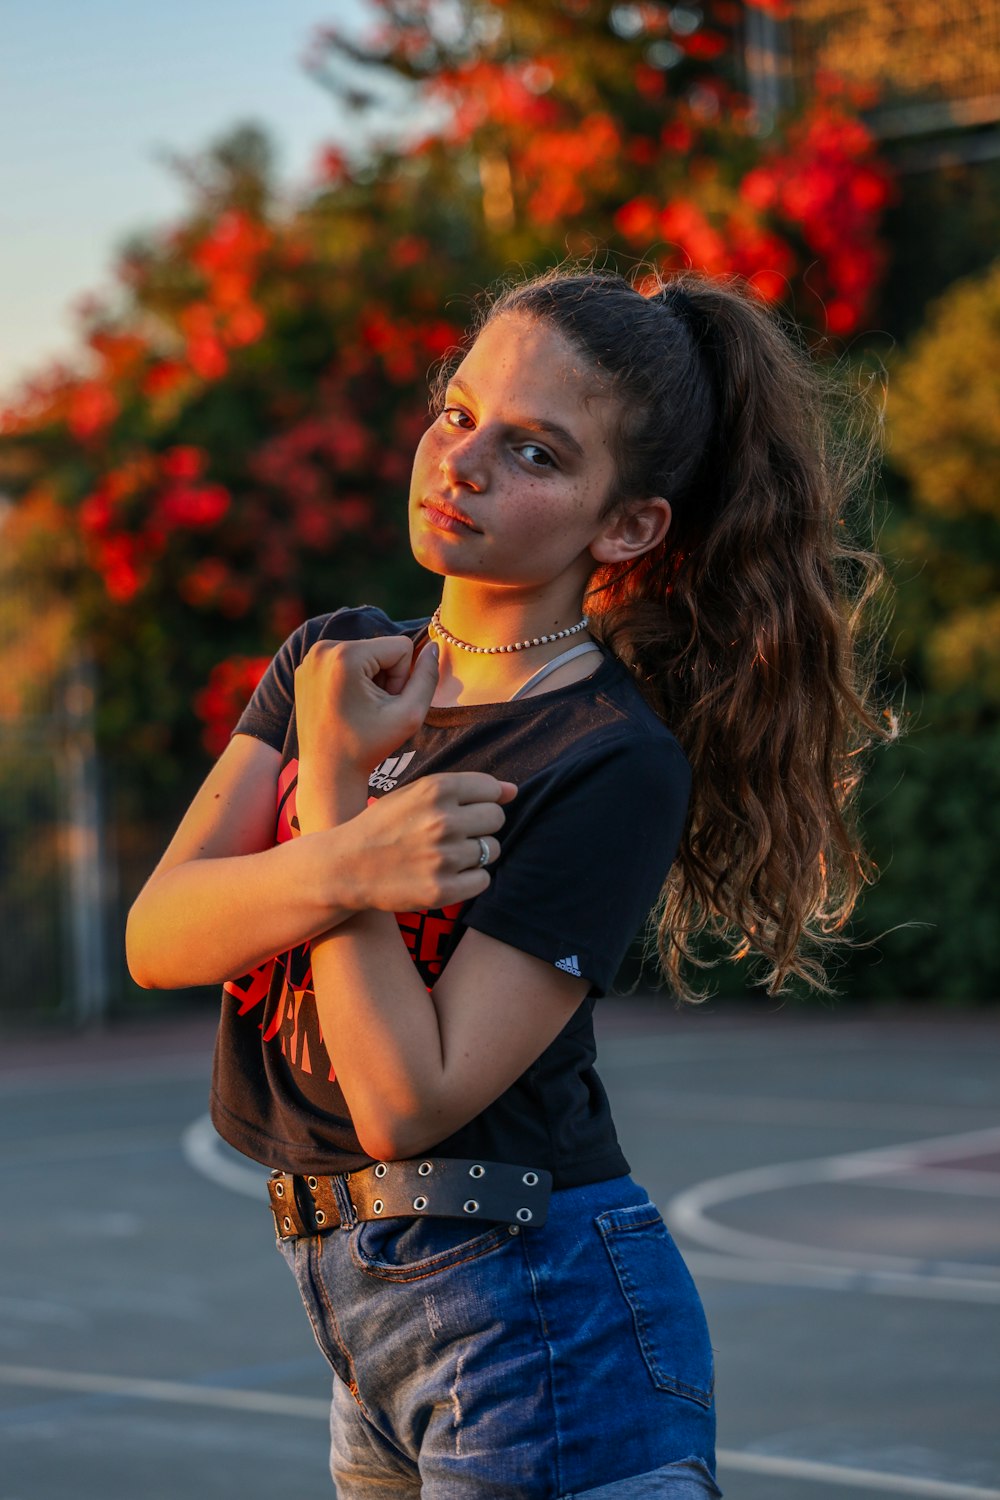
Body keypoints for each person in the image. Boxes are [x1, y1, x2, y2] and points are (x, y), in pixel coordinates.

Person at [127, 266, 890, 1499]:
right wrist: (347, 853)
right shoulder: (328, 664)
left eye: (533, 451)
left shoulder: (606, 757)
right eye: (456, 410)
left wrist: (333, 796)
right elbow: (161, 935)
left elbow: (407, 1100)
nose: (462, 461)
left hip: (537, 1322)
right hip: (358, 1325)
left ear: (627, 524)